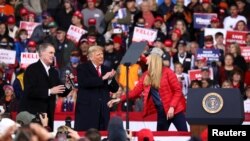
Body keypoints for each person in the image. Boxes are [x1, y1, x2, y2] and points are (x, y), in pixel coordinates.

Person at [108, 48, 187, 131]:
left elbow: (178, 91)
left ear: (154, 58)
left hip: (176, 110)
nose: (146, 58)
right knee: (160, 137)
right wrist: (119, 99)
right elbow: (135, 91)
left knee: (185, 134)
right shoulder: (146, 75)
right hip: (161, 112)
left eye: (148, 56)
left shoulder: (168, 72)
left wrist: (172, 107)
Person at [19, 43, 72, 130]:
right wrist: (50, 91)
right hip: (33, 114)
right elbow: (29, 91)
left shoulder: (53, 72)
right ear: (42, 53)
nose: (53, 55)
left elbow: (61, 91)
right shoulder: (31, 69)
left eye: (54, 53)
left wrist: (70, 83)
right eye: (50, 53)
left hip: (49, 115)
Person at [75, 45, 119, 131]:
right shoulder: (82, 68)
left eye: (102, 54)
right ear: (91, 57)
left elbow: (115, 88)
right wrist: (102, 78)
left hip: (103, 112)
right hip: (88, 111)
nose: (101, 56)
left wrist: (110, 79)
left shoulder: (107, 69)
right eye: (98, 54)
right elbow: (84, 82)